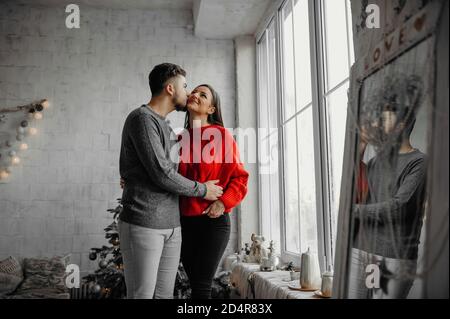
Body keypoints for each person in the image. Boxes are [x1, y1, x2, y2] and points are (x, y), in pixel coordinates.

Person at [118, 63, 223, 299]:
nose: (189, 93)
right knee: (142, 295)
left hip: (173, 226)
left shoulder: (166, 128)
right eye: (185, 87)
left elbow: (178, 168)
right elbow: (163, 173)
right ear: (169, 89)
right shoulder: (143, 119)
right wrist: (203, 190)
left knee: (164, 296)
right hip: (144, 222)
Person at [349, 75, 427, 299]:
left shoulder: (419, 162)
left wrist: (353, 211)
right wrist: (361, 145)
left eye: (386, 117)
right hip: (362, 252)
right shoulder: (375, 161)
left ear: (401, 125)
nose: (379, 122)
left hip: (395, 259)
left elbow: (398, 208)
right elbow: (354, 191)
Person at [178, 84, 249, 299]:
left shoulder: (221, 136)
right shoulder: (179, 138)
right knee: (195, 286)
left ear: (211, 109)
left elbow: (240, 177)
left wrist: (223, 202)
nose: (195, 95)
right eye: (194, 91)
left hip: (213, 223)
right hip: (183, 223)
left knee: (201, 288)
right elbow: (168, 176)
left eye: (203, 95)